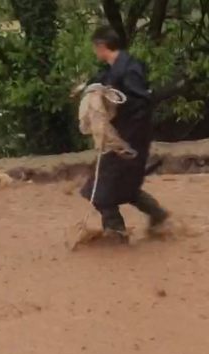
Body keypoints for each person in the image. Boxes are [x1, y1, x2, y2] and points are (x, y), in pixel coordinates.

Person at [79, 26, 169, 241]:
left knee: (99, 189)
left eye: (95, 47)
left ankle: (116, 232)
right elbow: (101, 81)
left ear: (101, 46)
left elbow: (141, 103)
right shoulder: (115, 68)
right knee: (126, 185)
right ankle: (159, 217)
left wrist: (123, 142)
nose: (94, 51)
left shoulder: (129, 69)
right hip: (124, 138)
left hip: (128, 140)